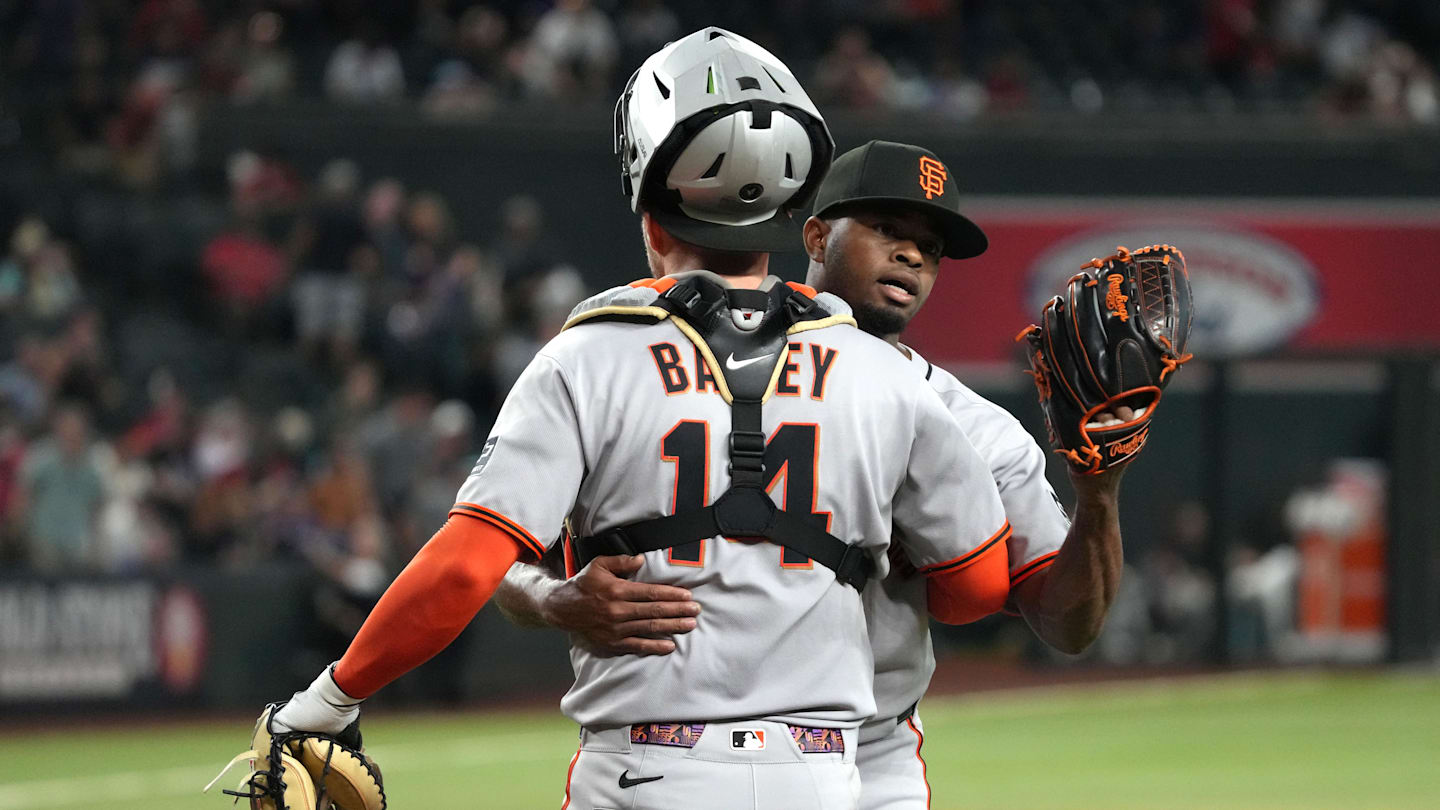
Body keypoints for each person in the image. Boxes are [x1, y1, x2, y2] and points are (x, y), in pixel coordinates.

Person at [266, 30, 1012, 810]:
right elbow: (978, 590)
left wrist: (331, 700)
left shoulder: (588, 356)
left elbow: (463, 568)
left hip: (648, 769)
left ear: (651, 212)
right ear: (792, 216)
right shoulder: (882, 374)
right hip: (824, 773)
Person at [496, 141, 1128, 810]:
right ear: (817, 235)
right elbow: (498, 557)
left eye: (930, 248)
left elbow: (1069, 626)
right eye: (888, 229)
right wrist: (549, 599)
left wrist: (1099, 492)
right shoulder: (656, 368)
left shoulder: (975, 427)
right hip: (673, 744)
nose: (913, 256)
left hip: (869, 754)